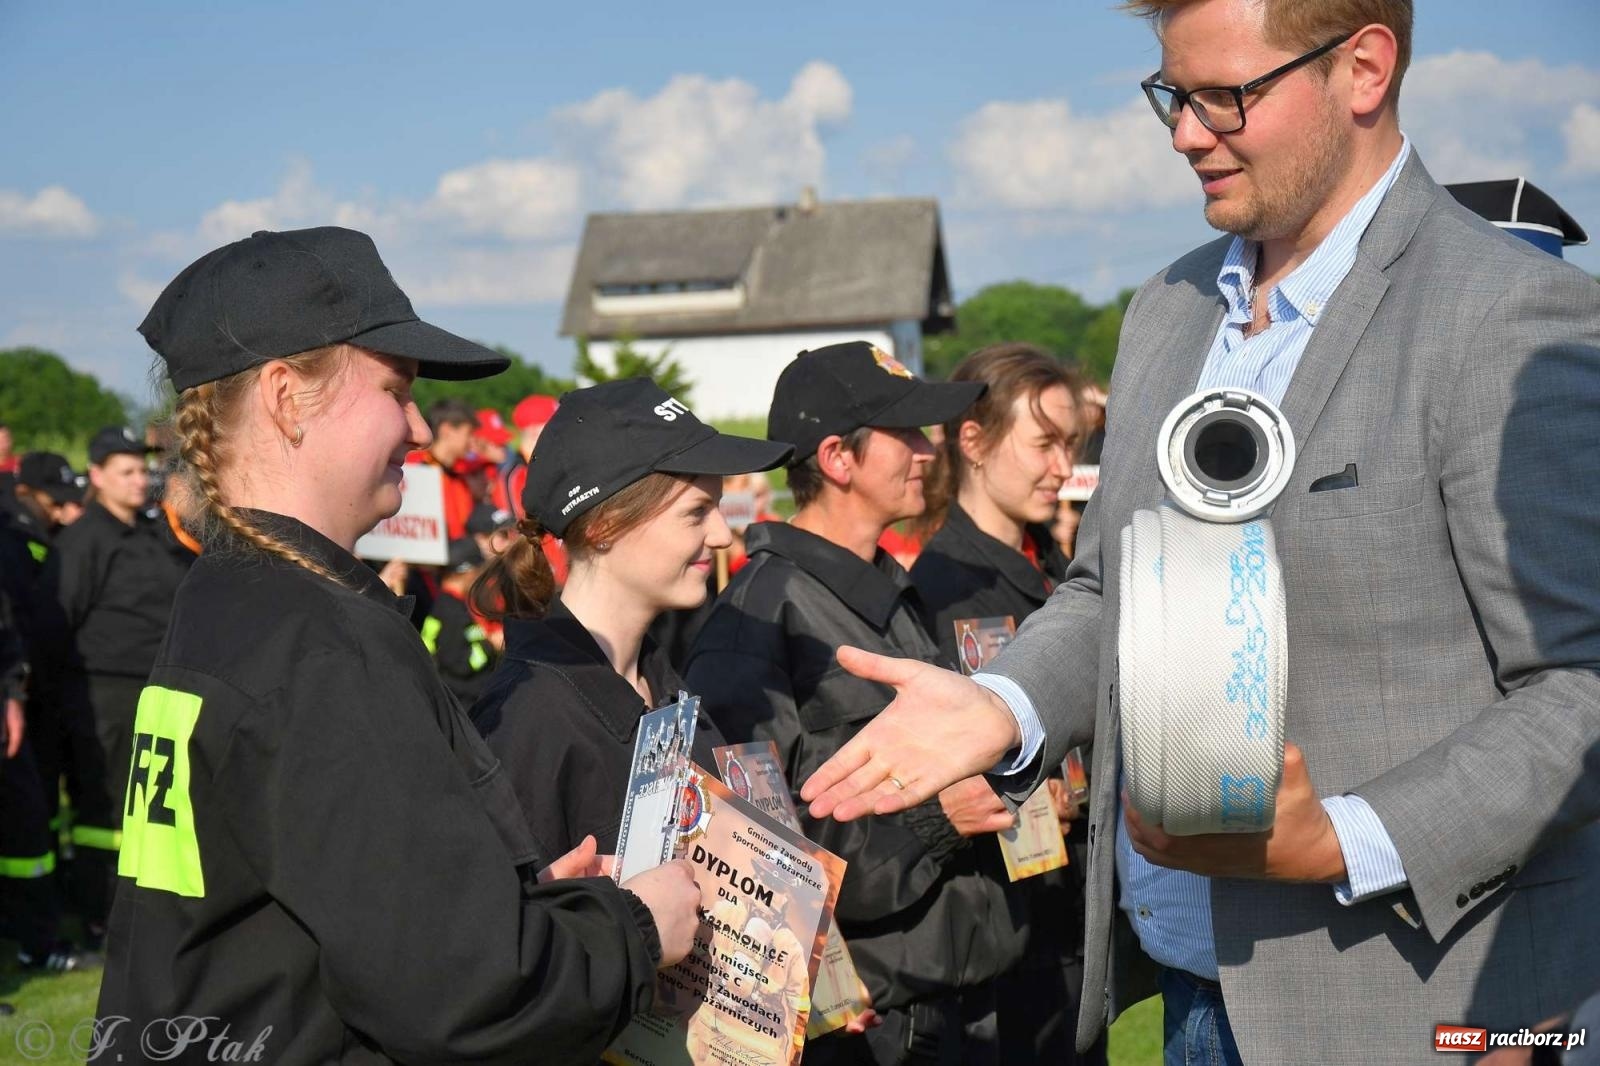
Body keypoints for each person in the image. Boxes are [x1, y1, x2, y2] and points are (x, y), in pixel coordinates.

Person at [800, 2, 1600, 1064]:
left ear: (1363, 69)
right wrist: (1005, 703)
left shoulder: (1508, 313)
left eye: (1226, 96)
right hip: (1184, 986)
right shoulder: (1167, 310)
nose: (1184, 132)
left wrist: (1351, 837)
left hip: (1421, 1006)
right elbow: (1103, 590)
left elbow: (1578, 691)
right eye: (1172, 95)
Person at [98, 224, 702, 1065]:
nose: (419, 427)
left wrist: (517, 910)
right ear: (285, 396)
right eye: (395, 388)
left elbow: (338, 905)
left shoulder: (233, 593)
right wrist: (638, 927)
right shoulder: (316, 636)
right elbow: (465, 994)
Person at [685, 341, 1023, 1066]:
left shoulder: (891, 597)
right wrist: (938, 817)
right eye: (904, 433)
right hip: (879, 1032)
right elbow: (760, 861)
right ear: (838, 458)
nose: (927, 451)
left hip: (966, 1002)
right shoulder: (757, 623)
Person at [470, 377, 790, 863]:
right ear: (604, 527)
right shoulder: (528, 719)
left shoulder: (663, 686)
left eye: (718, 509)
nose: (724, 535)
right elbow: (511, 928)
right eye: (696, 512)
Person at [907, 343, 1100, 1066]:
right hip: (1003, 941)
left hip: (1069, 915)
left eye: (1072, 446)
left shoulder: (1057, 572)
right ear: (973, 441)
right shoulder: (938, 592)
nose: (1062, 467)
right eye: (1044, 443)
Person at [41, 426, 188, 937]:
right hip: (103, 691)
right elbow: (56, 621)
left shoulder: (151, 532)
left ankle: (136, 905)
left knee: (147, 804)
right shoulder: (85, 541)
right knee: (101, 806)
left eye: (141, 470)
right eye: (125, 471)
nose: (138, 480)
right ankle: (99, 909)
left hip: (155, 689)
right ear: (97, 476)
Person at [421, 538, 499, 706]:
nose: (481, 578)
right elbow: (460, 664)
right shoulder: (449, 611)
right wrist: (491, 645)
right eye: (479, 571)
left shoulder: (453, 605)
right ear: (467, 571)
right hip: (465, 704)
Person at [407, 397, 479, 540]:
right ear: (446, 431)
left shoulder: (459, 476)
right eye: (469, 434)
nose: (473, 441)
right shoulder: (415, 471)